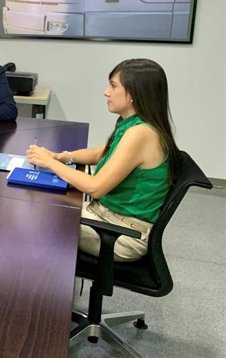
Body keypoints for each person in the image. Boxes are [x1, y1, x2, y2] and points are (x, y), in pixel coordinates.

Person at [27, 59, 179, 262]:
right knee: (45, 205)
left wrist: (50, 163)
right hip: (107, 216)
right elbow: (101, 153)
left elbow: (96, 188)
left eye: (113, 86)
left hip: (121, 234)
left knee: (39, 217)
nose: (106, 92)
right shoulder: (133, 123)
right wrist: (60, 157)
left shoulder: (141, 133)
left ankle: (40, 290)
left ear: (135, 93)